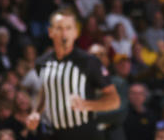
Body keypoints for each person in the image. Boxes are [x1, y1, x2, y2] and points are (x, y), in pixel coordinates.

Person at [28, 8, 120, 139]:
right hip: (54, 133)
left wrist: (86, 105)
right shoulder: (42, 62)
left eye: (68, 28)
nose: (64, 33)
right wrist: (35, 112)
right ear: (50, 32)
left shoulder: (89, 62)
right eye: (59, 28)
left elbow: (114, 100)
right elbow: (47, 89)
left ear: (75, 33)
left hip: (85, 133)